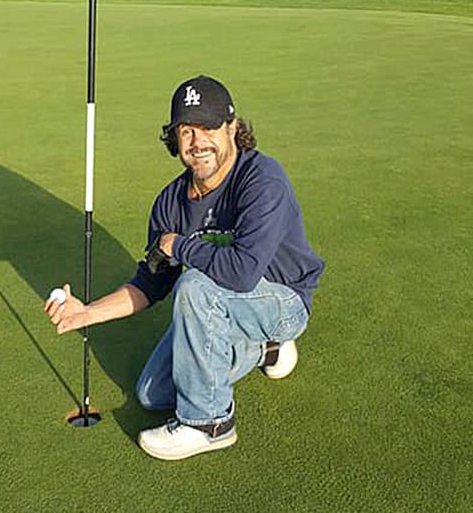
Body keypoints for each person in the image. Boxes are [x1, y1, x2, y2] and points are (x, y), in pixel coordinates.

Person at [45, 75, 325, 460]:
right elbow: (151, 284)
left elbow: (242, 272)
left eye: (209, 127)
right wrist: (87, 313)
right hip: (224, 306)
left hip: (282, 301)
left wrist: (181, 245)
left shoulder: (262, 179)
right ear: (174, 139)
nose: (198, 142)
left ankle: (209, 424)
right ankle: (265, 351)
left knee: (194, 284)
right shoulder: (170, 203)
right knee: (153, 393)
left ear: (232, 129)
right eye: (186, 131)